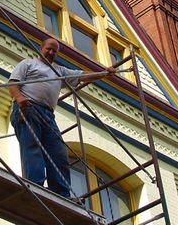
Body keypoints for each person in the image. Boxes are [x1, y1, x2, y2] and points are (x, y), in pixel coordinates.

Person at [8, 38, 116, 198]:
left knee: (58, 153)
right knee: (32, 147)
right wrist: (19, 98)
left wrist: (104, 74)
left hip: (47, 114)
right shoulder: (28, 64)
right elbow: (12, 83)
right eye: (48, 49)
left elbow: (83, 76)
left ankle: (61, 193)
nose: (51, 53)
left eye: (54, 51)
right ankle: (35, 185)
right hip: (28, 108)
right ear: (41, 48)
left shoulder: (60, 72)